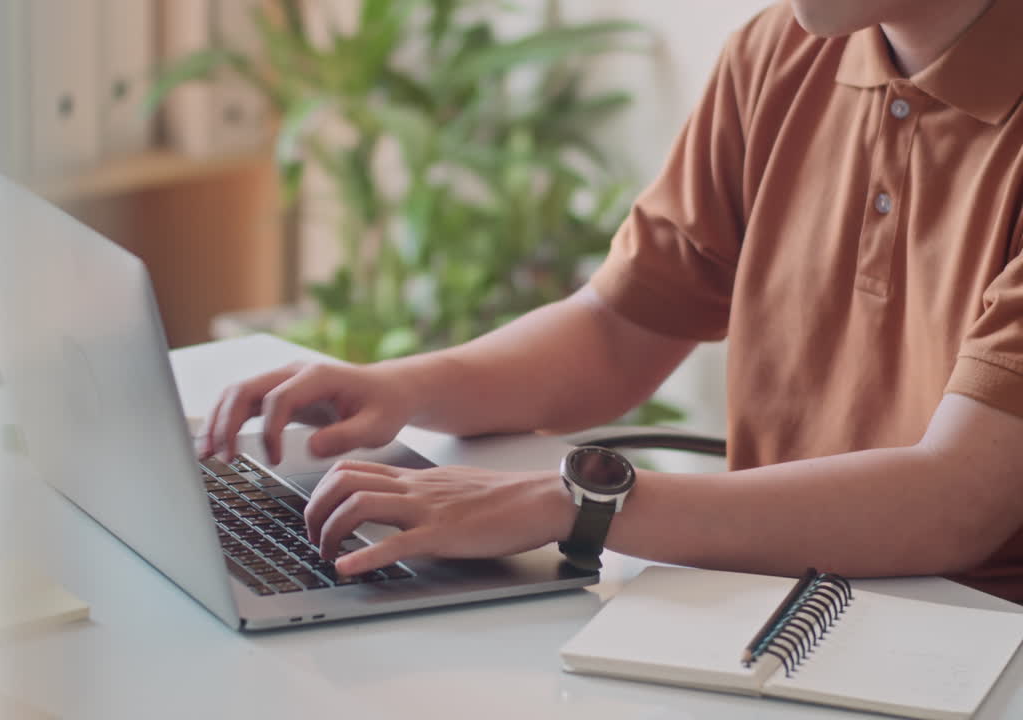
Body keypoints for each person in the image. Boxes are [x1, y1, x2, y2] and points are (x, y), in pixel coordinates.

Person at [199, 0, 1023, 602]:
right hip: (771, 605)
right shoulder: (784, 52)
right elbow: (619, 328)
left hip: (970, 648)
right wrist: (407, 387)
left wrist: (576, 503)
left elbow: (954, 502)